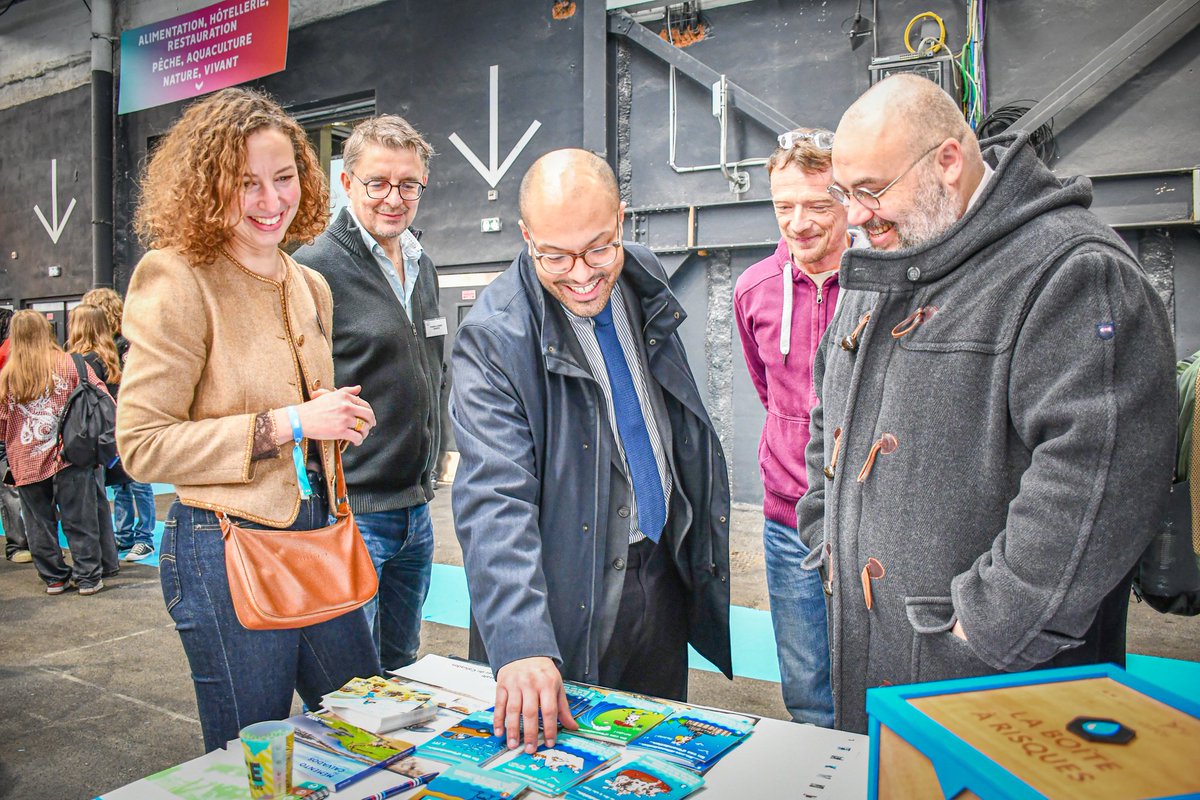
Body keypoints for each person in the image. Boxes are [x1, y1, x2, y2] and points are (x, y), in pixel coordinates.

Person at [800, 74, 1177, 733]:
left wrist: (978, 631)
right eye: (844, 194)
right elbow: (826, 417)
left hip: (999, 691)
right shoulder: (889, 259)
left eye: (870, 191)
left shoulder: (1073, 273)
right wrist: (826, 538)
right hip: (871, 661)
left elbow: (1096, 491)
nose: (855, 216)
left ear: (948, 161)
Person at [116, 87, 381, 752]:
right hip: (221, 546)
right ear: (208, 185)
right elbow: (142, 446)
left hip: (320, 537)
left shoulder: (308, 282)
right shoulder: (177, 278)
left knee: (369, 732)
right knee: (256, 758)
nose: (271, 201)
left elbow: (308, 415)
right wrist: (294, 422)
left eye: (284, 177)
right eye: (246, 184)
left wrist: (339, 423)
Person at [451, 148, 732, 755]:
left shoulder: (642, 277)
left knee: (655, 761)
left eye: (598, 247)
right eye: (554, 254)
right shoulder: (495, 335)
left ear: (622, 221)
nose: (580, 273)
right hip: (563, 593)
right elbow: (492, 496)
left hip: (660, 574)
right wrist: (522, 640)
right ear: (526, 237)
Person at [293, 115, 445, 671]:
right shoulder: (312, 270)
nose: (394, 198)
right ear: (347, 182)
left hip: (417, 510)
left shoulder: (421, 264)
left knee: (403, 665)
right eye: (377, 183)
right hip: (353, 512)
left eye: (408, 184)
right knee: (351, 683)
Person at [733, 128, 848, 728]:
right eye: (784, 206)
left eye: (817, 204)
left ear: (849, 201)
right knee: (807, 691)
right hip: (786, 520)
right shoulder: (753, 289)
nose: (798, 223)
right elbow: (767, 389)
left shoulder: (881, 281)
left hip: (867, 520)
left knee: (879, 682)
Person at [0, 311, 113, 595]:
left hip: (25, 460)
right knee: (81, 519)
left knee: (38, 523)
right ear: (47, 331)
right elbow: (104, 399)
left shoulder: (8, 376)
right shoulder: (72, 363)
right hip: (71, 455)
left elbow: (2, 425)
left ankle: (54, 578)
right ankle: (88, 578)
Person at [83, 287, 157, 562]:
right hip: (112, 419)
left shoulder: (127, 342)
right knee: (121, 482)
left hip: (133, 417)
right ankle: (124, 535)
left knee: (138, 479)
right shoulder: (105, 346)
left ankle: (144, 537)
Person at [65, 304, 122, 580]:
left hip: (87, 438)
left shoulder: (83, 361)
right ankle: (109, 560)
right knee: (100, 502)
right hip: (106, 436)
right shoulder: (110, 357)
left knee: (89, 504)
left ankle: (100, 562)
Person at [0, 308, 31, 564]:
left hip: (9, 430)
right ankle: (29, 543)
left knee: (10, 489)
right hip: (28, 430)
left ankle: (18, 545)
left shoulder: (8, 352)